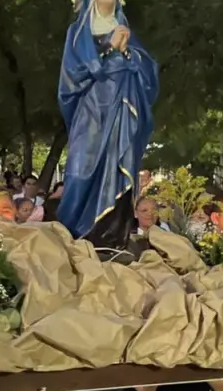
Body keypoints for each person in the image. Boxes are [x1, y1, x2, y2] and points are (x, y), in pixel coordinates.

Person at [57, 0, 159, 248]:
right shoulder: (78, 33)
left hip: (121, 113)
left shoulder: (126, 31)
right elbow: (71, 76)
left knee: (118, 170)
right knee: (81, 172)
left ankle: (112, 242)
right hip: (91, 112)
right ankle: (73, 235)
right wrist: (107, 47)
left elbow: (149, 74)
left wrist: (127, 53)